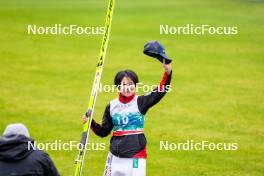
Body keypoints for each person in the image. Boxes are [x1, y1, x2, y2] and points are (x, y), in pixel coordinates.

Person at [83, 41, 172, 176]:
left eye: (132, 84)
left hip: (135, 157)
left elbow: (160, 91)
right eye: (124, 84)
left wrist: (167, 72)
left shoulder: (141, 102)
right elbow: (104, 132)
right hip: (114, 157)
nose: (129, 87)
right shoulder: (111, 106)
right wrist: (91, 123)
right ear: (118, 87)